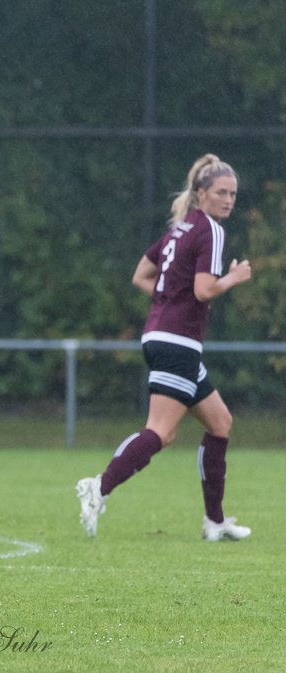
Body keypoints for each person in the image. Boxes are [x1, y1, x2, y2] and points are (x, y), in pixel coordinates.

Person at [77, 153, 254, 540]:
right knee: (161, 431)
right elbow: (205, 289)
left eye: (233, 194)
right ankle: (98, 487)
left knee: (220, 423)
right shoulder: (209, 230)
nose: (228, 200)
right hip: (178, 342)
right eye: (221, 192)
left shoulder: (179, 229)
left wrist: (167, 301)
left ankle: (215, 522)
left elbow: (142, 275)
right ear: (201, 193)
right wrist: (235, 277)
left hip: (163, 336)